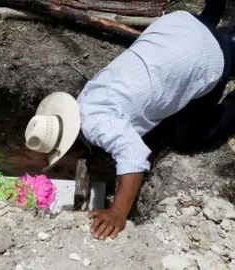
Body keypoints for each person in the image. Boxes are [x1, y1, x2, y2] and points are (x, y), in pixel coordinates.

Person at [24, 0, 235, 240]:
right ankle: (215, 25)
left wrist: (118, 212)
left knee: (186, 139)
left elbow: (134, 157)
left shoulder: (95, 126)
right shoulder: (84, 99)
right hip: (178, 25)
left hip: (204, 58)